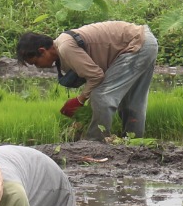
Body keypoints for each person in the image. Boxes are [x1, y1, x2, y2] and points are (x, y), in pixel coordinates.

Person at [15, 23, 160, 141]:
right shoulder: (62, 46)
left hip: (136, 44)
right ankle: (133, 142)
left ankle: (95, 143)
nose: (38, 66)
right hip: (144, 41)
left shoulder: (65, 48)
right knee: (132, 101)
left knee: (101, 96)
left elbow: (96, 76)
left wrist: (79, 100)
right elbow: (94, 76)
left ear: (43, 50)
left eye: (35, 62)